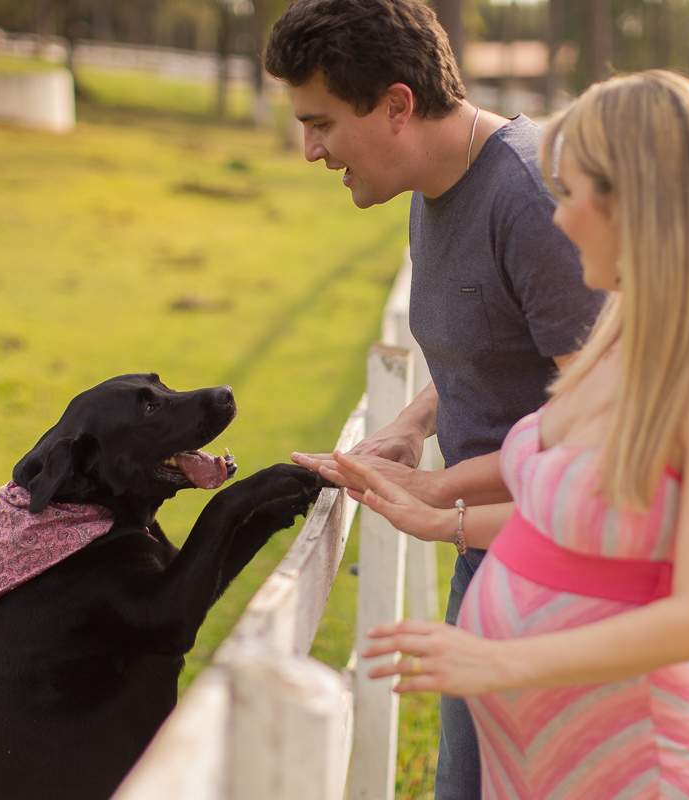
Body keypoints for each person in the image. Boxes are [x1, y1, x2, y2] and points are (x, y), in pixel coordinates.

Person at [314, 70, 689, 799]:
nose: (559, 221)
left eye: (572, 195)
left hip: (638, 757)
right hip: (537, 758)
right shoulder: (627, 335)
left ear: (641, 199)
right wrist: (437, 497)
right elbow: (578, 486)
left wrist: (501, 663)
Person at [263, 3, 604, 796]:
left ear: (396, 106)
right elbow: (484, 344)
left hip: (562, 577)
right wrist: (415, 425)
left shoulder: (528, 198)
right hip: (489, 557)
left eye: (320, 123)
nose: (309, 149)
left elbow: (602, 421)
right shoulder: (432, 183)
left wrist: (442, 500)